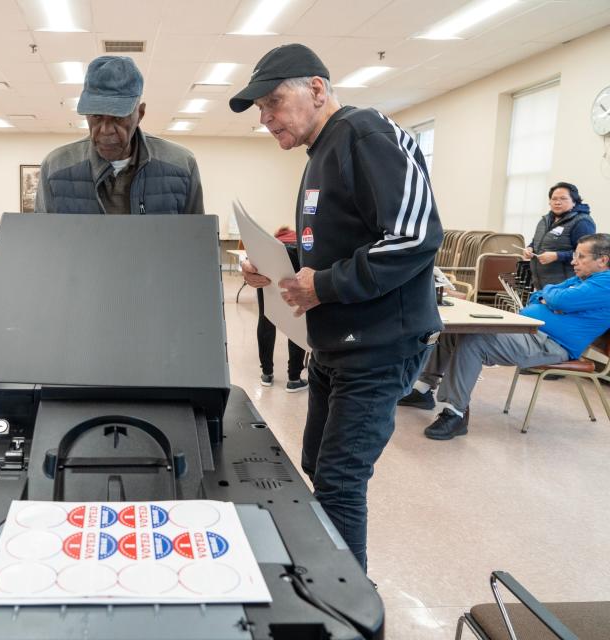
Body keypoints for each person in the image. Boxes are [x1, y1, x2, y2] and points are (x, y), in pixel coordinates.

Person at [230, 44, 443, 571]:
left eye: (273, 102)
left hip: (378, 345)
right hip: (334, 343)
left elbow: (415, 236)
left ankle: (346, 609)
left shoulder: (363, 133)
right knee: (315, 465)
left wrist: (322, 285)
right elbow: (337, 244)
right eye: (261, 110)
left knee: (340, 481)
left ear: (317, 89)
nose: (267, 118)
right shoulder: (319, 154)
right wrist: (278, 264)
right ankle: (328, 584)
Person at [402, 233, 610, 440]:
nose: (574, 261)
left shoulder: (606, 283)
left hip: (551, 344)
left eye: (581, 256)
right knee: (453, 332)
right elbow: (541, 294)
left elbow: (561, 300)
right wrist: (551, 298)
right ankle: (423, 389)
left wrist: (553, 300)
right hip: (530, 331)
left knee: (475, 342)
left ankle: (454, 413)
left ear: (603, 260)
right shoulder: (582, 279)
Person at [35, 55, 204, 215]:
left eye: (118, 117)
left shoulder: (182, 165)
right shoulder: (55, 168)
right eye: (96, 116)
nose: (106, 130)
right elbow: (43, 241)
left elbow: (197, 241)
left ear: (140, 113)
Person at [256, 227, 307, 392]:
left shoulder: (274, 240)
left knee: (266, 317)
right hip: (296, 257)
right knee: (296, 317)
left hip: (270, 261)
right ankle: (294, 378)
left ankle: (266, 373)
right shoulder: (296, 235)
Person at [523, 182, 596, 289]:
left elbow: (587, 254)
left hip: (566, 285)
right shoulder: (545, 220)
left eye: (563, 198)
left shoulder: (582, 222)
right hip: (542, 283)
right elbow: (537, 242)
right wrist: (530, 248)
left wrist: (557, 256)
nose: (557, 202)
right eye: (554, 199)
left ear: (574, 202)